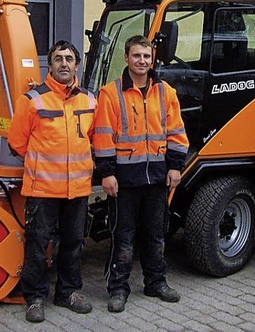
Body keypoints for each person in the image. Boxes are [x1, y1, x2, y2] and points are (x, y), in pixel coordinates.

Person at [93, 35, 189, 313]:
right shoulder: (110, 93)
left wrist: (175, 166)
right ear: (126, 57)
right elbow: (102, 138)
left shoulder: (165, 92)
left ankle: (156, 282)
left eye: (147, 57)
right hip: (124, 181)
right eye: (137, 56)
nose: (142, 61)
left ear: (152, 60)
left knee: (156, 234)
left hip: (158, 178)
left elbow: (177, 133)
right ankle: (118, 289)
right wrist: (107, 174)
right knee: (123, 237)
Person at [7, 40, 96, 323]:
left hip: (77, 189)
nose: (64, 64)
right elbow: (16, 143)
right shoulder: (33, 100)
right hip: (43, 188)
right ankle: (34, 298)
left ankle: (67, 292)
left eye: (69, 59)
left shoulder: (89, 99)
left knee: (73, 242)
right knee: (37, 243)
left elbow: (94, 138)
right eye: (58, 59)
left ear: (77, 65)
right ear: (50, 65)